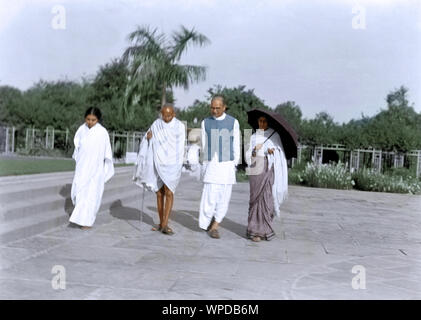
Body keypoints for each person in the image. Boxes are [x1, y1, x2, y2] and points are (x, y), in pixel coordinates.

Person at [133, 104, 185, 235]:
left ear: (174, 114)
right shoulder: (156, 124)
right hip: (157, 161)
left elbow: (179, 146)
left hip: (172, 163)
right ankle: (161, 222)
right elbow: (148, 138)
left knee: (169, 191)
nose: (166, 118)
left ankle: (166, 224)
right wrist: (148, 138)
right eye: (164, 115)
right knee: (159, 192)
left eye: (169, 115)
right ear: (161, 114)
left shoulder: (179, 126)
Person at [198, 95, 240, 239]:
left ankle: (216, 225)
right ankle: (206, 221)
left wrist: (234, 164)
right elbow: (204, 145)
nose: (214, 111)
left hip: (227, 165)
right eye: (212, 108)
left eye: (217, 108)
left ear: (224, 107)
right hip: (211, 165)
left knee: (223, 197)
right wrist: (204, 164)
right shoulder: (205, 122)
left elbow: (236, 144)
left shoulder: (233, 122)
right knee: (209, 196)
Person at [69, 107, 114, 229]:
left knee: (92, 196)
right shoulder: (81, 130)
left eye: (93, 120)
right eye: (88, 119)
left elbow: (106, 152)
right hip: (82, 168)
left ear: (98, 119)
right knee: (80, 193)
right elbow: (77, 147)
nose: (90, 122)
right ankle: (80, 218)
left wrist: (103, 169)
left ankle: (87, 221)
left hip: (95, 170)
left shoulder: (102, 132)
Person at [245, 116, 288, 242]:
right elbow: (247, 156)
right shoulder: (252, 137)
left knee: (267, 198)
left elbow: (279, 153)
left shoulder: (274, 136)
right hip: (255, 169)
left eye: (264, 121)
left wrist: (270, 151)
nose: (262, 123)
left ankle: (264, 230)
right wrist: (254, 150)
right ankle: (254, 231)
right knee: (255, 199)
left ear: (268, 123)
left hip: (268, 169)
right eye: (260, 121)